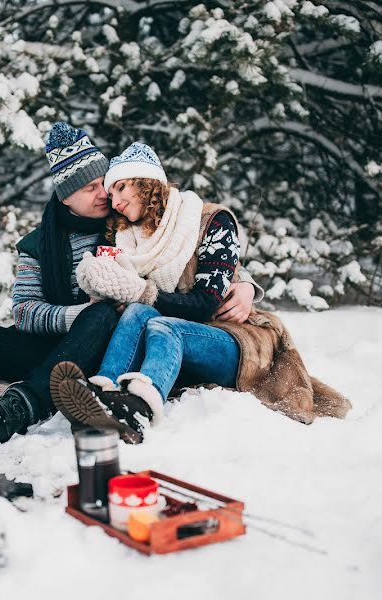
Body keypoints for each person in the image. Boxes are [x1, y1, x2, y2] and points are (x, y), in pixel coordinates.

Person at [0, 125, 262, 446]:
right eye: (91, 188)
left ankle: (22, 406)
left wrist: (244, 284)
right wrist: (78, 315)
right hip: (51, 346)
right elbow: (24, 311)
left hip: (102, 348)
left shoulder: (126, 224)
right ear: (66, 197)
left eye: (108, 184)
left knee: (102, 317)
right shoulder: (39, 245)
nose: (106, 196)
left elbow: (185, 247)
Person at [50, 142, 350, 443]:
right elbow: (135, 302)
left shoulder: (212, 222)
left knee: (160, 323)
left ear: (146, 181)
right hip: (180, 339)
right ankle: (103, 396)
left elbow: (205, 304)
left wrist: (142, 291)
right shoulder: (130, 238)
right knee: (138, 312)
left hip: (236, 340)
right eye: (110, 192)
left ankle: (139, 409)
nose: (114, 202)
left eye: (121, 187)